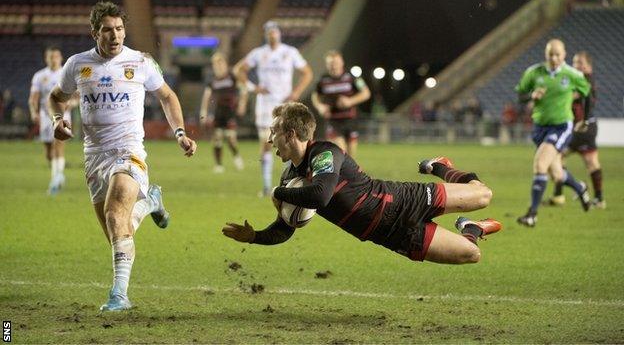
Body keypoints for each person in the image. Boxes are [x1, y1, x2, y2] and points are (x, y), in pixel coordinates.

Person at [48, 1, 197, 311]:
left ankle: (119, 296)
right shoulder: (77, 65)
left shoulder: (141, 62)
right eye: (107, 30)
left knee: (117, 214)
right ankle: (152, 201)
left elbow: (167, 96)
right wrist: (57, 120)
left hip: (128, 152)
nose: (115, 36)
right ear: (94, 33)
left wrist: (180, 133)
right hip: (94, 157)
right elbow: (56, 98)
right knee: (119, 232)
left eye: (119, 29)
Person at [222, 102, 502, 265]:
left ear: (291, 133)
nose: (270, 141)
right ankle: (472, 227)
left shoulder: (325, 153)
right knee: (471, 254)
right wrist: (255, 236)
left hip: (401, 201)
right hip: (388, 235)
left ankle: (440, 166)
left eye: (274, 133)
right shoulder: (290, 178)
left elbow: (321, 195)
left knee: (483, 195)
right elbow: (285, 229)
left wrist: (277, 193)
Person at [515, 39, 591, 227]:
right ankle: (580, 188)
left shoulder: (572, 74)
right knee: (557, 174)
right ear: (546, 54)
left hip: (561, 126)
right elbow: (520, 96)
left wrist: (584, 120)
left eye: (558, 54)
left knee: (540, 165)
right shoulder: (534, 72)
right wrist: (531, 96)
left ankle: (532, 214)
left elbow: (586, 94)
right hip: (540, 127)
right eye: (551, 54)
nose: (554, 58)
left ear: (564, 54)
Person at [233, 20, 313, 196]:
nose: (272, 34)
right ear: (265, 34)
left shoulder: (290, 52)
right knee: (266, 143)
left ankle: (289, 184)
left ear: (279, 33)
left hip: (286, 105)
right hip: (266, 104)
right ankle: (267, 186)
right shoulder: (259, 53)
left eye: (274, 31)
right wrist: (254, 88)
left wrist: (296, 92)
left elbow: (307, 72)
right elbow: (238, 70)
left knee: (291, 143)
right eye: (269, 32)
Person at [548, 51, 604, 209]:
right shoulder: (579, 79)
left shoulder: (585, 80)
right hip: (581, 126)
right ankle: (598, 198)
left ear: (588, 66)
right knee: (587, 162)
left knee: (555, 157)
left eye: (580, 63)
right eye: (575, 62)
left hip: (583, 127)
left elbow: (575, 96)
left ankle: (566, 193)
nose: (576, 65)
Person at [29, 46, 71, 194]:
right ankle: (58, 174)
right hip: (46, 115)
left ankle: (55, 181)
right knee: (48, 151)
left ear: (61, 58)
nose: (54, 60)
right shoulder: (40, 76)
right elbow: (34, 98)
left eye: (56, 57)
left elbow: (77, 95)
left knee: (58, 145)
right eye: (51, 57)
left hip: (63, 114)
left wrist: (72, 104)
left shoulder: (66, 74)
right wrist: (34, 112)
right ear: (46, 59)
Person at [312, 50, 370, 157]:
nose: (333, 66)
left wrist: (350, 101)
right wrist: (320, 106)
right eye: (331, 64)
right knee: (341, 152)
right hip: (333, 121)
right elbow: (315, 96)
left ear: (342, 62)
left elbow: (366, 93)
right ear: (327, 64)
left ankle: (347, 173)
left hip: (350, 120)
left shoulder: (352, 77)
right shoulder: (323, 80)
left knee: (351, 158)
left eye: (336, 63)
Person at [199, 52, 246, 173]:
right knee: (217, 138)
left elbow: (243, 89)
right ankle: (219, 165)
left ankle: (236, 157)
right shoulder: (212, 81)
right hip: (217, 113)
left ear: (225, 64)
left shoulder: (232, 77)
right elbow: (207, 97)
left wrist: (242, 104)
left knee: (230, 137)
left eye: (220, 64)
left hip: (230, 112)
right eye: (216, 65)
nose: (218, 67)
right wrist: (203, 111)